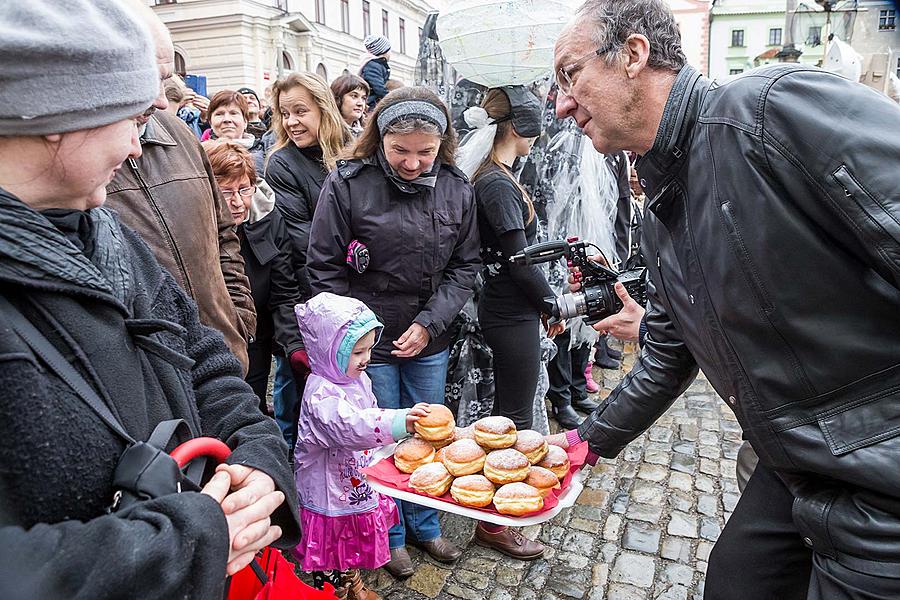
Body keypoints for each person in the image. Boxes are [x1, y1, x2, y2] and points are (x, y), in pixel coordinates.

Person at [548, 1, 900, 598]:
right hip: (795, 464)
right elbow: (666, 352)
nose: (561, 104)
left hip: (880, 478)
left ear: (633, 55)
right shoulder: (663, 205)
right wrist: (587, 441)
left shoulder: (766, 110)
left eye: (570, 75)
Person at [0, 2, 300, 598]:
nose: (140, 148)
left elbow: (203, 362)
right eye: (131, 117)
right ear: (59, 114)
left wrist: (260, 456)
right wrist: (181, 547)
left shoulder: (108, 234)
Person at [307, 86, 480, 578]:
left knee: (427, 432)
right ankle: (390, 534)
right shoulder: (347, 183)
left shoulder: (455, 185)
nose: (412, 163)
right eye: (400, 151)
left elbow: (465, 267)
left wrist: (430, 323)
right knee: (380, 439)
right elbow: (323, 269)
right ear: (378, 140)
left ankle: (425, 526)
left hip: (430, 336)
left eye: (425, 152)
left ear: (441, 145)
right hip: (370, 346)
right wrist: (358, 337)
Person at [106, 5, 257, 375]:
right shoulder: (81, 167)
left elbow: (224, 234)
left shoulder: (178, 133)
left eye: (166, 79)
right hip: (152, 377)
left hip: (224, 357)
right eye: (149, 79)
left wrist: (238, 314)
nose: (161, 99)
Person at [458, 85, 558, 560]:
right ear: (519, 128)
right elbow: (519, 260)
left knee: (512, 415)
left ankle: (496, 515)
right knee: (514, 419)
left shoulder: (494, 177)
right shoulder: (495, 183)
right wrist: (553, 303)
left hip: (509, 310)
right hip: (509, 313)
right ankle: (496, 523)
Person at [293, 292, 432, 599]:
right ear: (328, 351)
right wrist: (399, 422)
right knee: (331, 551)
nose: (367, 358)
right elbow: (352, 425)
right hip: (328, 491)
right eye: (358, 352)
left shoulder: (356, 378)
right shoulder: (321, 395)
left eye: (369, 348)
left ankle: (352, 583)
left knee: (349, 545)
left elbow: (367, 415)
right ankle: (333, 592)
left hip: (353, 481)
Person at [265, 72, 352, 448]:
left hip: (352, 291)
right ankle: (293, 467)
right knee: (296, 388)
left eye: (300, 111)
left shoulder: (351, 149)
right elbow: (304, 240)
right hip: (304, 292)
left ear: (323, 108)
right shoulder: (282, 163)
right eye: (285, 114)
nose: (291, 122)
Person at [202, 140, 303, 415]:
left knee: (252, 409)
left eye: (244, 189)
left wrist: (293, 345)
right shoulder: (195, 228)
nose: (237, 202)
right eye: (226, 192)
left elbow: (284, 290)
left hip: (255, 339)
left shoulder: (268, 221)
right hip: (209, 344)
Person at [204, 90, 267, 176]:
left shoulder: (265, 153)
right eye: (219, 114)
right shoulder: (201, 156)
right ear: (210, 122)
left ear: (245, 121)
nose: (227, 119)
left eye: (233, 113)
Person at [360, 35, 392, 109]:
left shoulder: (378, 65)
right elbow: (379, 88)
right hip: (372, 104)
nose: (391, 53)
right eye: (389, 50)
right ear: (383, 51)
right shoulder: (373, 66)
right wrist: (392, 98)